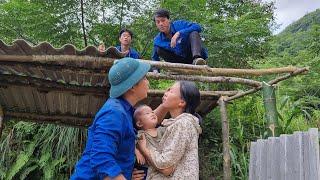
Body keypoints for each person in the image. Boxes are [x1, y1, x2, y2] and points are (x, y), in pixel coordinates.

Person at [71, 57, 150, 180]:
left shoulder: (124, 111)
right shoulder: (114, 113)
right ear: (133, 86)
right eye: (144, 78)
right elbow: (101, 158)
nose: (147, 82)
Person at [137, 81, 202, 179]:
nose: (166, 93)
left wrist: (144, 149)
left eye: (171, 91)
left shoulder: (183, 124)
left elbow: (165, 167)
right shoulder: (177, 124)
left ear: (182, 102)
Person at [133, 105, 174, 179]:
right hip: (146, 167)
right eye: (147, 113)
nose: (152, 114)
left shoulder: (162, 130)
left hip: (161, 162)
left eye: (152, 112)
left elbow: (173, 130)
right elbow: (130, 142)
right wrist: (136, 151)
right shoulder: (141, 134)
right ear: (139, 123)